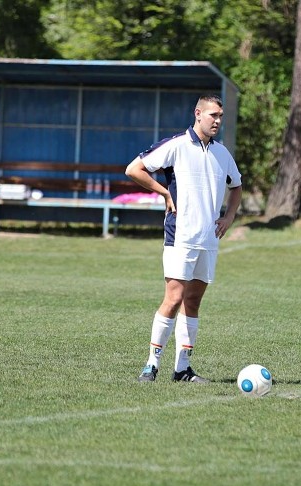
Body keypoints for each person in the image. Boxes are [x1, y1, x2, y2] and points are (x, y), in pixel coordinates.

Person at [125, 94, 243, 383]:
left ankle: (182, 369)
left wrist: (228, 217)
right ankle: (151, 365)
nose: (217, 120)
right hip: (180, 235)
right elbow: (133, 169)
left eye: (220, 116)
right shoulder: (176, 145)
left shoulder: (222, 153)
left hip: (208, 239)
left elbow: (237, 186)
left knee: (193, 301)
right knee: (174, 297)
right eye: (213, 115)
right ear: (198, 113)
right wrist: (163, 192)